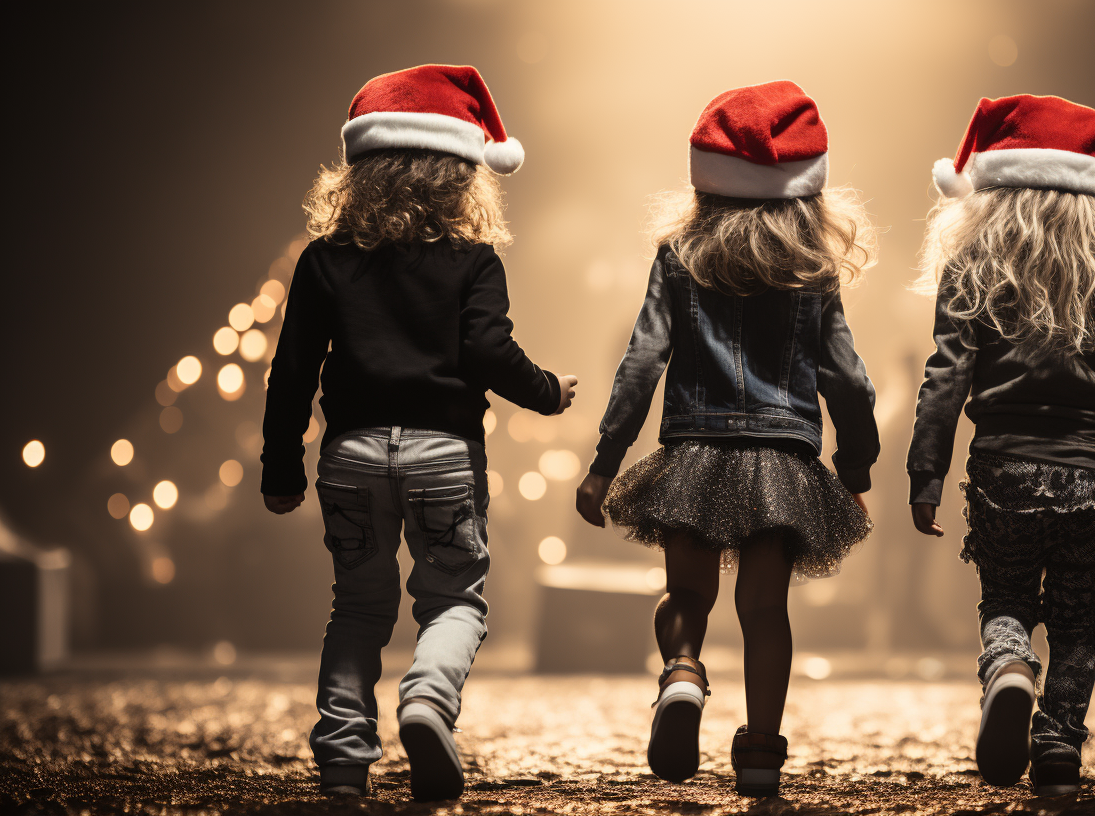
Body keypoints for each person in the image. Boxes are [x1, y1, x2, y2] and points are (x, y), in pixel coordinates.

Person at [259, 64, 576, 802]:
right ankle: (429, 701)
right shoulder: (475, 261)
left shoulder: (323, 260)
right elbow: (488, 353)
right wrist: (547, 393)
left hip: (351, 457)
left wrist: (280, 469)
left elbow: (292, 372)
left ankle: (342, 756)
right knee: (455, 601)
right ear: (464, 172)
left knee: (359, 607)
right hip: (444, 454)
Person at [575, 80, 879, 797]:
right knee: (765, 610)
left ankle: (682, 673)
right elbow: (850, 381)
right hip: (783, 459)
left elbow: (641, 362)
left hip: (694, 451)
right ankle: (763, 754)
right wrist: (855, 469)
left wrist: (604, 463)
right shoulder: (813, 271)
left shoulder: (678, 255)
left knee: (686, 593)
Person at [907, 94, 1095, 796]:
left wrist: (926, 472)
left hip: (1001, 468)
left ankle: (1010, 665)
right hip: (1086, 476)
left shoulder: (973, 260)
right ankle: (1057, 748)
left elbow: (945, 374)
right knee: (1077, 621)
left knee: (1006, 599)